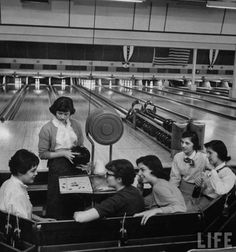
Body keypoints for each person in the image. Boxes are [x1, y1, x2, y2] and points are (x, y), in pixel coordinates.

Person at [38, 96, 85, 219]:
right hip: (57, 166)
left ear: (71, 112)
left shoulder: (76, 125)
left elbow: (80, 145)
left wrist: (83, 160)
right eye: (60, 113)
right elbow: (43, 154)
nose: (63, 117)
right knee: (56, 200)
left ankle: (76, 224)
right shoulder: (47, 128)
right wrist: (63, 153)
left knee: (76, 197)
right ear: (54, 111)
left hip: (75, 164)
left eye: (66, 114)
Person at [74, 159, 145, 223]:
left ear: (119, 179)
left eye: (108, 174)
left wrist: (76, 213)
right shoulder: (133, 190)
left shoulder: (119, 199)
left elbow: (80, 218)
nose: (105, 176)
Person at [0, 149, 53, 222]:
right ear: (20, 171)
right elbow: (24, 224)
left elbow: (22, 212)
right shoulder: (17, 194)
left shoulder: (7, 183)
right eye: (33, 171)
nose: (36, 173)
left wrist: (41, 219)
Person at [134, 155, 186, 225]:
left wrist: (157, 210)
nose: (139, 173)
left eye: (143, 170)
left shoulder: (159, 187)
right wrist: (140, 185)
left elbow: (181, 208)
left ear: (153, 170)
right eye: (138, 170)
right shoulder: (160, 183)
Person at [169, 131, 209, 208]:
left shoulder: (204, 158)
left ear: (194, 144)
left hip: (199, 192)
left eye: (187, 143)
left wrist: (204, 178)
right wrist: (172, 194)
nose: (183, 145)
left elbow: (212, 171)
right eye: (182, 142)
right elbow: (174, 178)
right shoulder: (177, 157)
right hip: (182, 190)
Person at [194, 140, 236, 209]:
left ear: (219, 153)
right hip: (201, 201)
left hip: (212, 207)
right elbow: (207, 189)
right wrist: (201, 184)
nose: (207, 156)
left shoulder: (229, 174)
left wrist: (212, 171)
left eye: (210, 153)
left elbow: (220, 190)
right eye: (206, 152)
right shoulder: (211, 170)